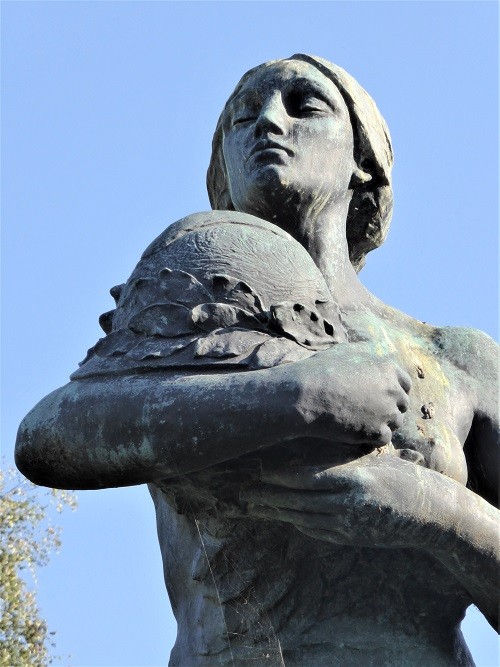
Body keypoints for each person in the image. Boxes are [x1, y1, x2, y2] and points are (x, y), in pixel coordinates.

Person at [16, 55, 499, 666]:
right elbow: (50, 437)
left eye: (304, 105)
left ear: (364, 161)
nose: (268, 121)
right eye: (243, 117)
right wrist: (300, 396)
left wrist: (431, 513)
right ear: (223, 168)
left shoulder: (455, 357)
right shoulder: (187, 299)